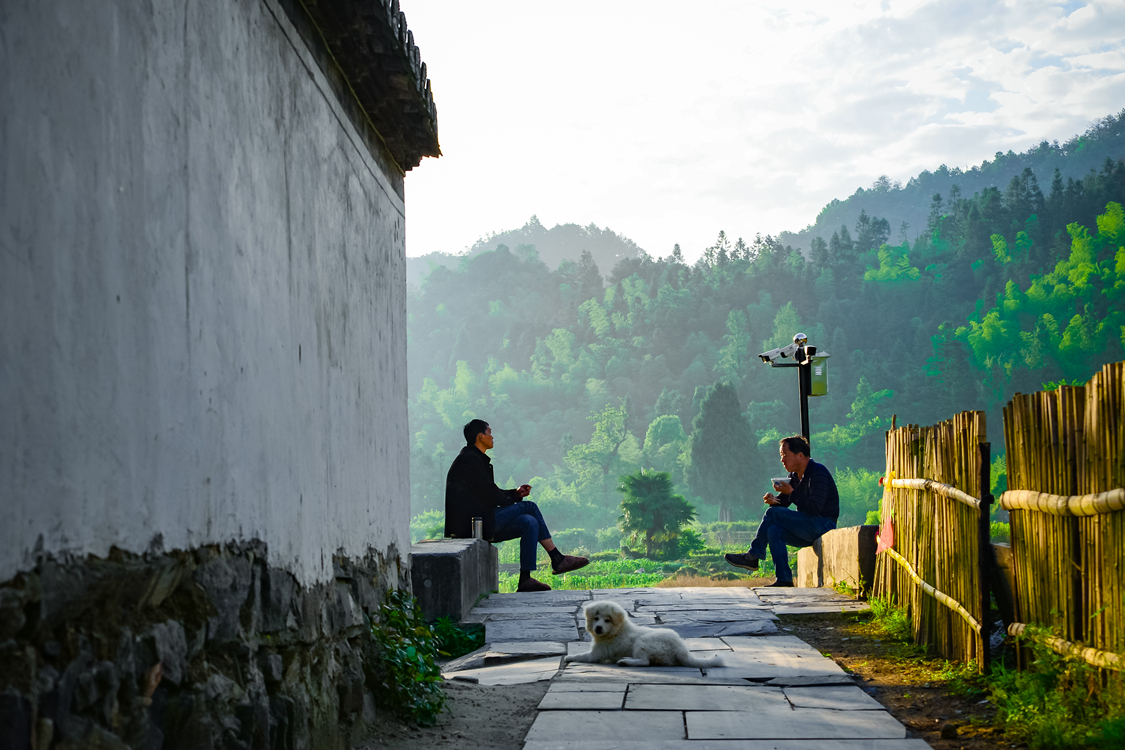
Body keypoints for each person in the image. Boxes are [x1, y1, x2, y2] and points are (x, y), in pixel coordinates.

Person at [445, 419, 589, 592]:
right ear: (480, 436)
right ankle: (556, 558)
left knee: (529, 522)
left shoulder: (475, 459)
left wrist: (515, 494)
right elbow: (491, 494)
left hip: (483, 520)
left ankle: (525, 579)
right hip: (473, 526)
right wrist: (513, 495)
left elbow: (489, 492)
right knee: (530, 507)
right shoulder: (469, 460)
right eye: (489, 432)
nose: (492, 436)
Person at [724, 435, 838, 587]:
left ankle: (752, 556)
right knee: (773, 529)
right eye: (781, 456)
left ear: (800, 455)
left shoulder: (818, 472)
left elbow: (815, 507)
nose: (782, 460)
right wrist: (774, 501)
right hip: (806, 526)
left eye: (785, 455)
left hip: (823, 525)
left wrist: (791, 492)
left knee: (773, 515)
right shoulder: (793, 476)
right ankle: (784, 578)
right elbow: (783, 504)